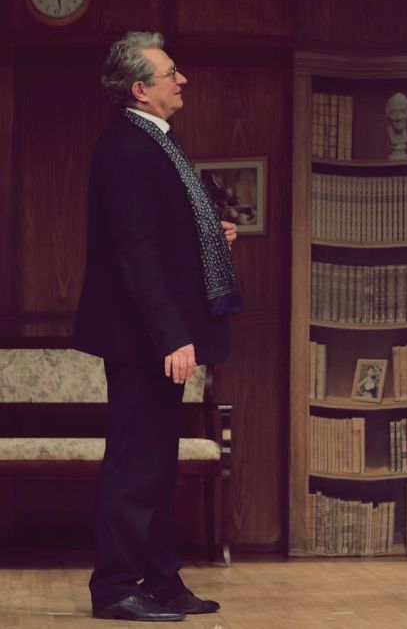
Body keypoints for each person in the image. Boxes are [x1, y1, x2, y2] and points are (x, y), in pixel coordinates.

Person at [74, 31, 241, 622]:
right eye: (171, 72)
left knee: (157, 462)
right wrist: (172, 334)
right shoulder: (127, 145)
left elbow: (160, 236)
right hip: (141, 335)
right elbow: (135, 252)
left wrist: (209, 234)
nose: (182, 78)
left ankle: (163, 582)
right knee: (135, 462)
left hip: (154, 332)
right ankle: (115, 587)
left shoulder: (156, 140)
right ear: (141, 89)